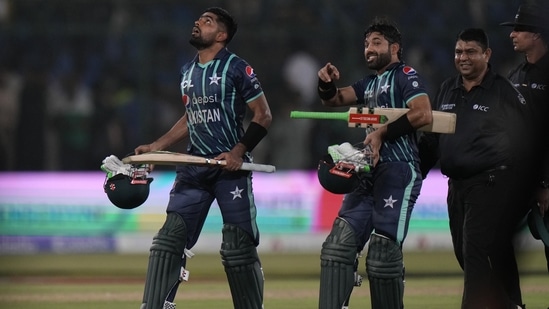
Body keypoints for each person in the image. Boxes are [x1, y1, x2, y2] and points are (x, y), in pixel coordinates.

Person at [133, 7, 272, 309]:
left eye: (207, 22)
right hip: (194, 168)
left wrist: (238, 150)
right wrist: (157, 145)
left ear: (221, 36)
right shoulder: (187, 71)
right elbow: (190, 118)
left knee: (237, 248)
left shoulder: (237, 68)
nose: (197, 23)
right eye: (198, 19)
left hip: (229, 170)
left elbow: (263, 115)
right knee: (169, 240)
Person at [316, 17, 433, 309]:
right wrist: (326, 84)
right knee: (337, 247)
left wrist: (382, 132)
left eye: (376, 42)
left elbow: (422, 113)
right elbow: (334, 100)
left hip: (399, 168)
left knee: (382, 253)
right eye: (366, 43)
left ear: (395, 47)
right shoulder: (368, 83)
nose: (368, 48)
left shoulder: (405, 74)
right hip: (368, 171)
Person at [419, 28, 536, 309]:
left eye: (471, 51)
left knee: (475, 253)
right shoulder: (447, 88)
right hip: (456, 187)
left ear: (487, 54)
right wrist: (414, 173)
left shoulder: (504, 92)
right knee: (469, 254)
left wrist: (541, 185)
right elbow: (432, 141)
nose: (463, 57)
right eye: (459, 51)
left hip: (493, 183)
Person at [500, 1, 549, 274]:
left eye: (519, 29)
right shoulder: (515, 74)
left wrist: (545, 183)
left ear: (538, 35)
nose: (512, 34)